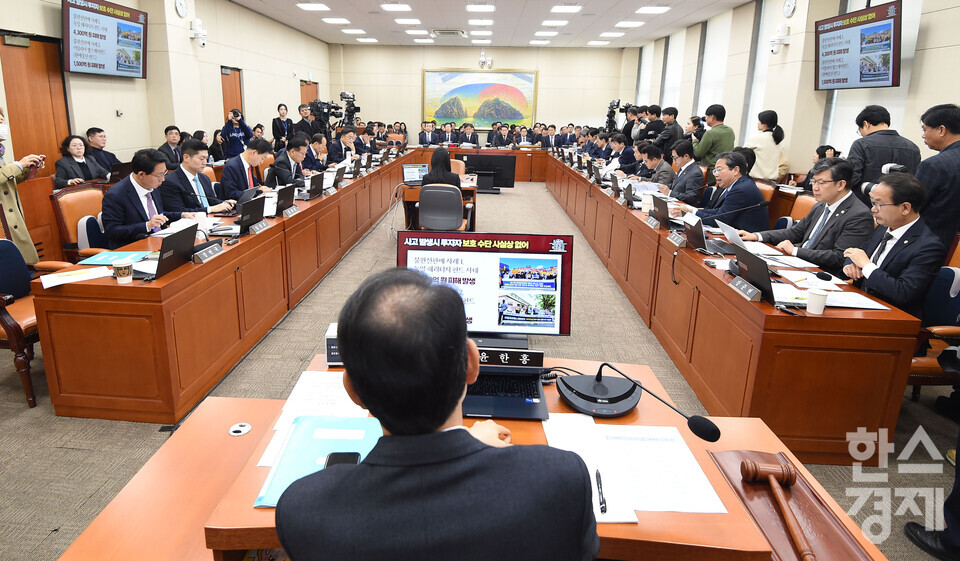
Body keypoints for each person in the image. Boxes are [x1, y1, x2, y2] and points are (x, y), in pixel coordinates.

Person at [275, 268, 600, 561]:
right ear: (472, 364)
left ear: (353, 391)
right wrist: (474, 449)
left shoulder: (304, 510)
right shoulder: (561, 480)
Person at [738, 158, 873, 277]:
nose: (815, 187)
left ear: (841, 184)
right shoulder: (820, 205)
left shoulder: (859, 215)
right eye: (814, 182)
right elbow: (796, 232)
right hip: (798, 264)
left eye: (821, 182)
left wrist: (795, 251)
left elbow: (839, 256)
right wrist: (756, 236)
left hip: (822, 274)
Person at [842, 172, 946, 320]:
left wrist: (866, 266)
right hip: (861, 304)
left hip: (893, 320)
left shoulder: (929, 247)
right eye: (873, 203)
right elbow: (860, 252)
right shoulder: (885, 226)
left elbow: (903, 292)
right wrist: (851, 264)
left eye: (879, 204)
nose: (873, 209)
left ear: (905, 208)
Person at [101, 148, 195, 249]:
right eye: (159, 175)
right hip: (134, 248)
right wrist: (147, 225)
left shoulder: (152, 185)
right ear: (141, 174)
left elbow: (158, 215)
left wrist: (182, 215)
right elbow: (112, 231)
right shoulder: (116, 194)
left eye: (165, 173)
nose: (163, 179)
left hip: (159, 242)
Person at [847, 104, 921, 207]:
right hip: (899, 207)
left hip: (865, 206)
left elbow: (852, 178)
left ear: (866, 124)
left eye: (860, 130)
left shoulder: (861, 144)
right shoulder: (913, 147)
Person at [673, 151, 768, 231]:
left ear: (735, 170)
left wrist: (691, 213)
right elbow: (720, 212)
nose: (716, 175)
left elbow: (721, 219)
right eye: (715, 171)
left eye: (719, 170)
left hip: (748, 242)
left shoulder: (741, 189)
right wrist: (692, 210)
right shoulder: (739, 184)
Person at [0, 107, 42, 264]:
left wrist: (28, 169)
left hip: (12, 214)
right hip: (3, 221)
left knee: (23, 262)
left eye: (3, 121)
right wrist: (18, 164)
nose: (3, 126)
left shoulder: (1, 153)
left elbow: (7, 180)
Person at [915, 103, 960, 248]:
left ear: (941, 130)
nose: (923, 135)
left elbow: (913, 206)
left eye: (925, 129)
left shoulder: (934, 165)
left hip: (932, 246)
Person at [158, 139, 236, 213]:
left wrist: (225, 203)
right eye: (202, 159)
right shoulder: (170, 182)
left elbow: (212, 201)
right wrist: (209, 209)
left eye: (206, 158)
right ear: (186, 157)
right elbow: (178, 212)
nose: (205, 163)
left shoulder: (204, 178)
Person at [693, 104, 735, 185]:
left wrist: (695, 141)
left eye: (707, 116)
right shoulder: (730, 131)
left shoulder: (710, 133)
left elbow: (698, 153)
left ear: (712, 117)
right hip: (725, 170)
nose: (706, 118)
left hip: (710, 172)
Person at [744, 110, 787, 181]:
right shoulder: (778, 140)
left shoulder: (756, 138)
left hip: (755, 180)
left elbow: (742, 155)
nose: (757, 123)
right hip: (771, 182)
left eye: (759, 121)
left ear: (764, 124)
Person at [661, 140, 704, 204]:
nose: (674, 161)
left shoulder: (695, 173)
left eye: (675, 158)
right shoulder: (683, 167)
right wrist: (660, 186)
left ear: (686, 156)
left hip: (682, 207)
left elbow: (691, 197)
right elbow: (676, 185)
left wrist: (670, 193)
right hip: (673, 202)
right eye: (672, 157)